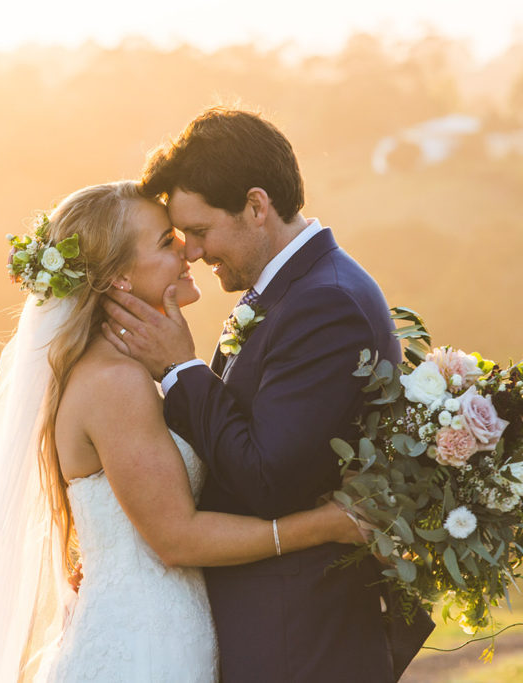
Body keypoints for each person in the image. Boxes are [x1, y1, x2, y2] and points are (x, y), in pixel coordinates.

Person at [0, 180, 365, 682]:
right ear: (120, 279)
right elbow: (176, 539)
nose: (187, 252)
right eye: (166, 243)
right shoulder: (115, 384)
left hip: (161, 631)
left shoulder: (125, 373)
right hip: (142, 648)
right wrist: (328, 524)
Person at [102, 108, 435, 682]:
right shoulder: (285, 290)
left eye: (201, 232)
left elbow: (267, 478)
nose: (195, 254)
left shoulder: (324, 302)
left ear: (256, 207)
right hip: (276, 623)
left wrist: (180, 369)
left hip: (295, 635)